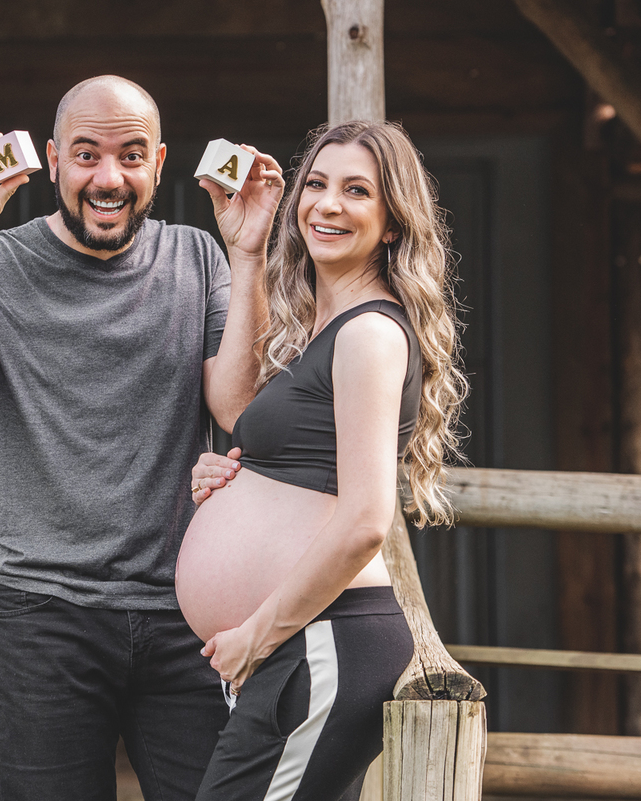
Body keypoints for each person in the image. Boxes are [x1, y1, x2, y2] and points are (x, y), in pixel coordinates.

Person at [0, 75, 284, 800]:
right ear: (54, 159)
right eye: (88, 154)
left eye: (130, 156)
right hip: (37, 611)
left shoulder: (200, 258)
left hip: (185, 612)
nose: (109, 177)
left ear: (159, 164)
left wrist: (249, 255)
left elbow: (242, 409)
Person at [178, 120, 468, 801]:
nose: (327, 204)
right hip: (301, 644)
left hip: (322, 641)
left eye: (356, 191)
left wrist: (256, 633)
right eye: (316, 184)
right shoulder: (319, 330)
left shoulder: (369, 333)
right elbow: (231, 403)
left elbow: (367, 519)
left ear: (392, 224)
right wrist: (237, 477)